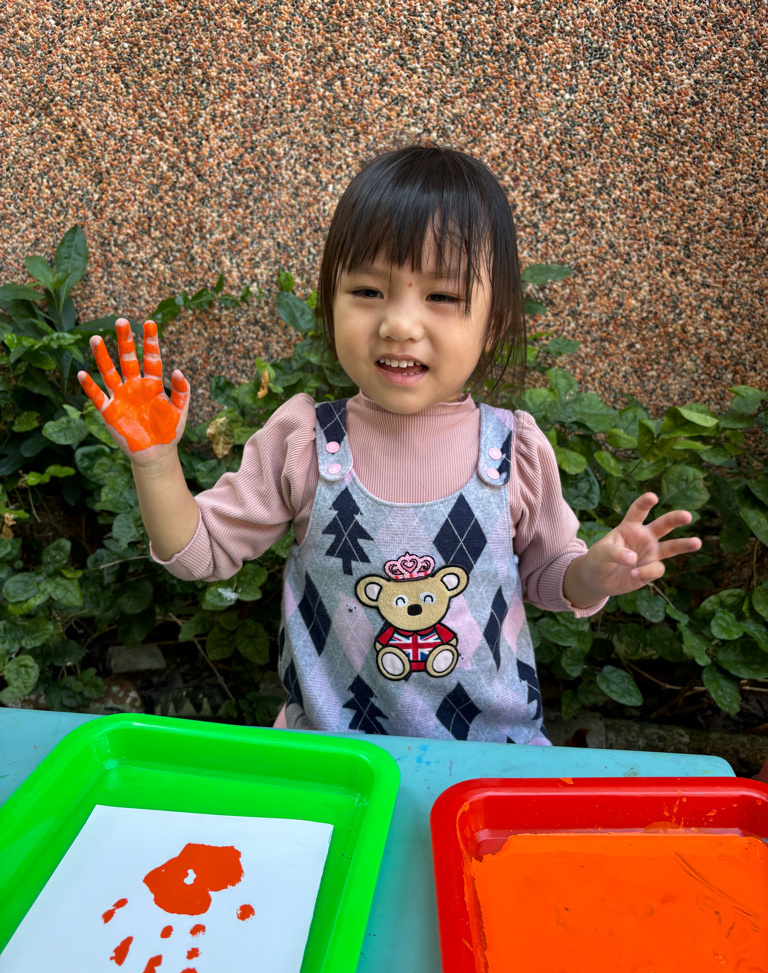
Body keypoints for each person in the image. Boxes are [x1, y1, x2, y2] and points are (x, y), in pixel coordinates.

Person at [78, 143, 702, 744]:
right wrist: (155, 462)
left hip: (488, 757)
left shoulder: (515, 452)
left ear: (494, 324)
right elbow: (199, 555)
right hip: (332, 758)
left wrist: (594, 573)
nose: (399, 324)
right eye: (368, 291)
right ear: (330, 302)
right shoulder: (304, 442)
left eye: (442, 296)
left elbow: (549, 579)